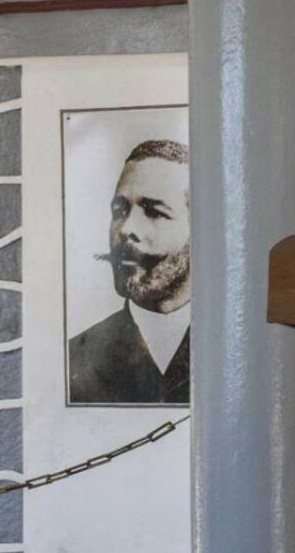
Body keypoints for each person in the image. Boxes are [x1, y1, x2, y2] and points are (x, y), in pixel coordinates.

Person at [69, 139, 191, 405]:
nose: (125, 230)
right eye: (120, 211)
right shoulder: (73, 361)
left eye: (154, 212)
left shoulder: (240, 350)